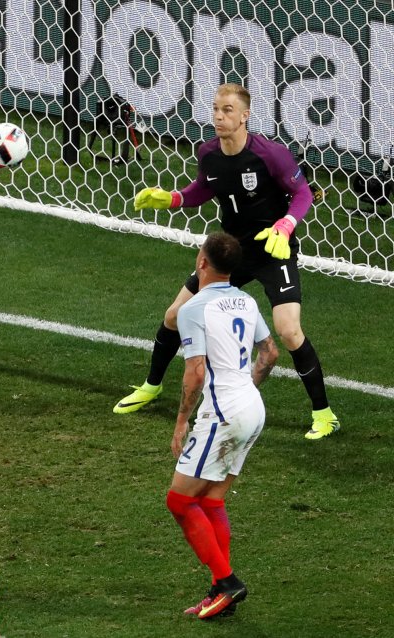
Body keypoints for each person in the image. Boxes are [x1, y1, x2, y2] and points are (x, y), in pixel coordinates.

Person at [115, 83, 340, 440]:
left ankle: (324, 414)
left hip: (272, 249)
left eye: (228, 110)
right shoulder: (208, 153)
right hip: (230, 251)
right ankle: (151, 386)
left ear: (245, 115)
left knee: (288, 330)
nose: (220, 116)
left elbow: (302, 193)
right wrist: (172, 198)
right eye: (217, 109)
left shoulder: (270, 155)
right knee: (175, 314)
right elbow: (204, 188)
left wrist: (285, 226)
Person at [166, 232, 278, 620]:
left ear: (201, 263)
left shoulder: (193, 309)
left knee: (179, 501)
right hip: (253, 407)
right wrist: (246, 390)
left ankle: (227, 581)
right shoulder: (247, 301)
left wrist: (181, 420)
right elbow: (270, 353)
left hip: (224, 414)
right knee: (210, 500)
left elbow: (195, 373)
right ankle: (220, 592)